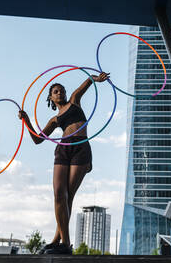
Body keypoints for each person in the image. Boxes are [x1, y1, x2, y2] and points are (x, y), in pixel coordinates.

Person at [18, 71, 109, 255]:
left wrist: (96, 78)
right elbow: (38, 139)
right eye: (56, 92)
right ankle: (60, 242)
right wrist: (26, 121)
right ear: (51, 98)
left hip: (81, 148)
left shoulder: (74, 101)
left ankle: (62, 243)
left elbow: (87, 82)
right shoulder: (55, 119)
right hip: (63, 149)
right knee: (60, 195)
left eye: (62, 91)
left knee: (68, 196)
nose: (60, 93)